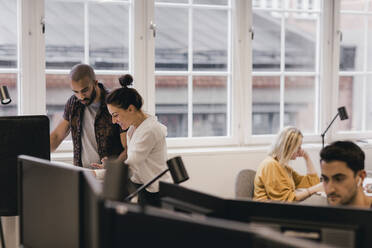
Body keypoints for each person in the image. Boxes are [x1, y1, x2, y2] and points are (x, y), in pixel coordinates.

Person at [105, 74, 169, 207]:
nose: (113, 121)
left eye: (115, 115)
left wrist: (99, 174)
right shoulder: (132, 130)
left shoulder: (149, 131)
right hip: (142, 190)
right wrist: (112, 167)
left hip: (156, 194)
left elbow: (132, 165)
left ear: (130, 109)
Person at [50, 64, 127, 169]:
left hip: (108, 175)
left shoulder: (114, 103)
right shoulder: (73, 103)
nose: (81, 96)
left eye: (84, 90)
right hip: (81, 174)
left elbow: (128, 148)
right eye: (76, 92)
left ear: (95, 83)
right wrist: (33, 155)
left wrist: (112, 166)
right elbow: (57, 136)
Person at [254, 126, 323, 202]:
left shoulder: (284, 167)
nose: (300, 150)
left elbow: (312, 183)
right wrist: (313, 190)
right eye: (298, 147)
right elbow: (286, 200)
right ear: (289, 147)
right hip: (267, 212)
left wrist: (307, 158)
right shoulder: (271, 165)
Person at [320, 141, 372, 208]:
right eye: (325, 179)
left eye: (338, 179)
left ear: (361, 177)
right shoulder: (325, 215)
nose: (330, 189)